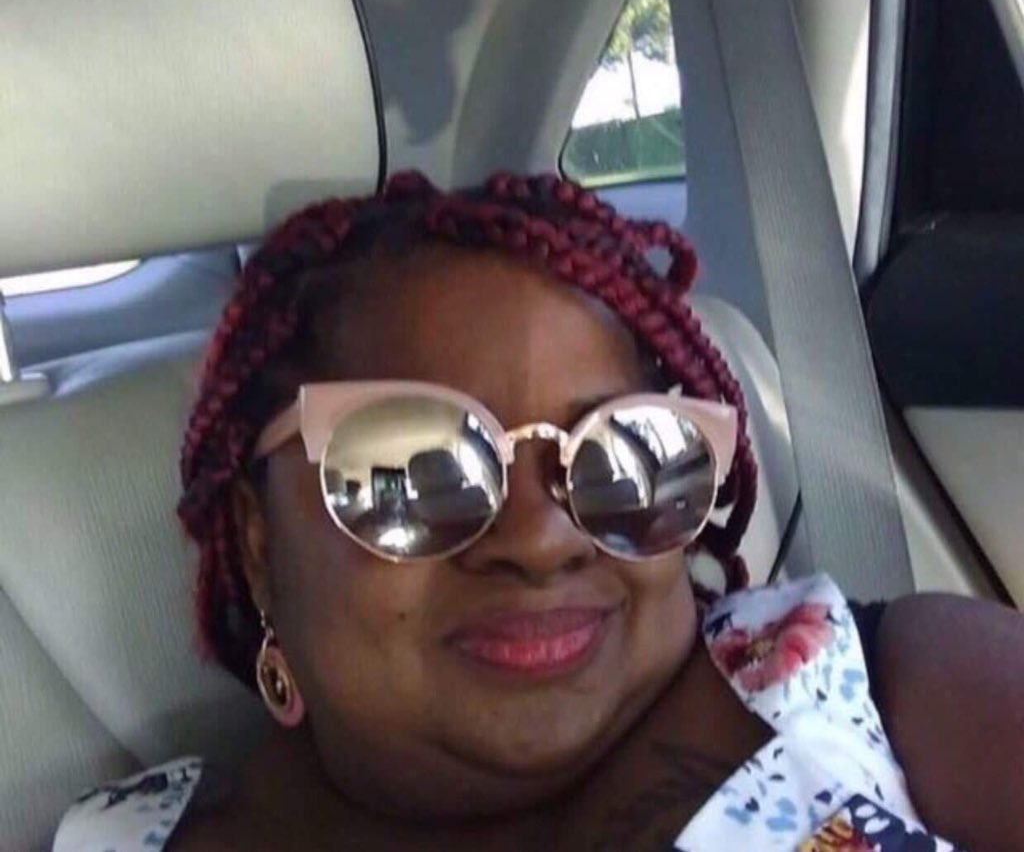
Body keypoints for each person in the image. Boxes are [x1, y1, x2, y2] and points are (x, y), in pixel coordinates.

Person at [55, 172, 1024, 851]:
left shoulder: (885, 686)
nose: (541, 539)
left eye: (622, 457)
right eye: (419, 469)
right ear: (260, 545)